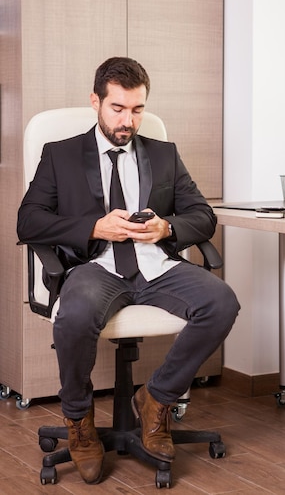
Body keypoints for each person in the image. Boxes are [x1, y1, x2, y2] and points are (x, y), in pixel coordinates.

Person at [17, 57, 240, 485]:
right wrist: (92, 226)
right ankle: (79, 422)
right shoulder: (60, 155)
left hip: (156, 266)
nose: (128, 121)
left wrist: (168, 227)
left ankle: (156, 399)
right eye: (118, 108)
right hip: (94, 267)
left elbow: (203, 216)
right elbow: (28, 222)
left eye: (137, 110)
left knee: (221, 301)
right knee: (76, 314)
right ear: (95, 101)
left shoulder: (164, 154)